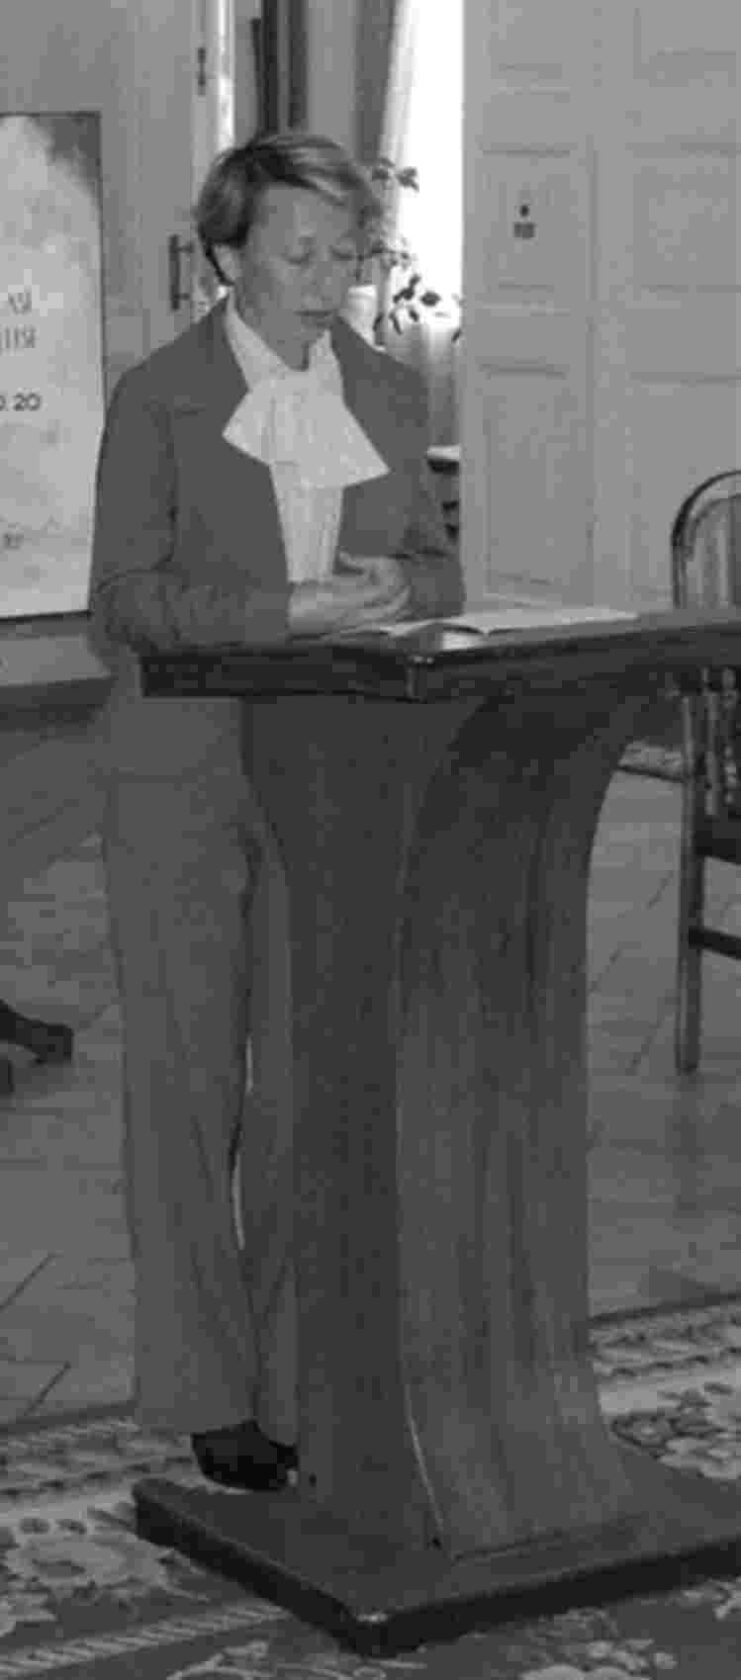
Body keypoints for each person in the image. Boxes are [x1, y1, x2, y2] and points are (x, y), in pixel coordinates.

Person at [87, 130, 463, 1492]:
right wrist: (283, 610)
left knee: (309, 1085)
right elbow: (121, 605)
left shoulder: (385, 386)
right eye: (300, 253)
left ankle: (299, 1373)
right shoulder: (159, 395)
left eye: (346, 253)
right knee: (190, 1087)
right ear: (230, 255)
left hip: (333, 767)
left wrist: (396, 587)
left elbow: (436, 567)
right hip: (179, 765)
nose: (328, 279)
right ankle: (204, 1385)